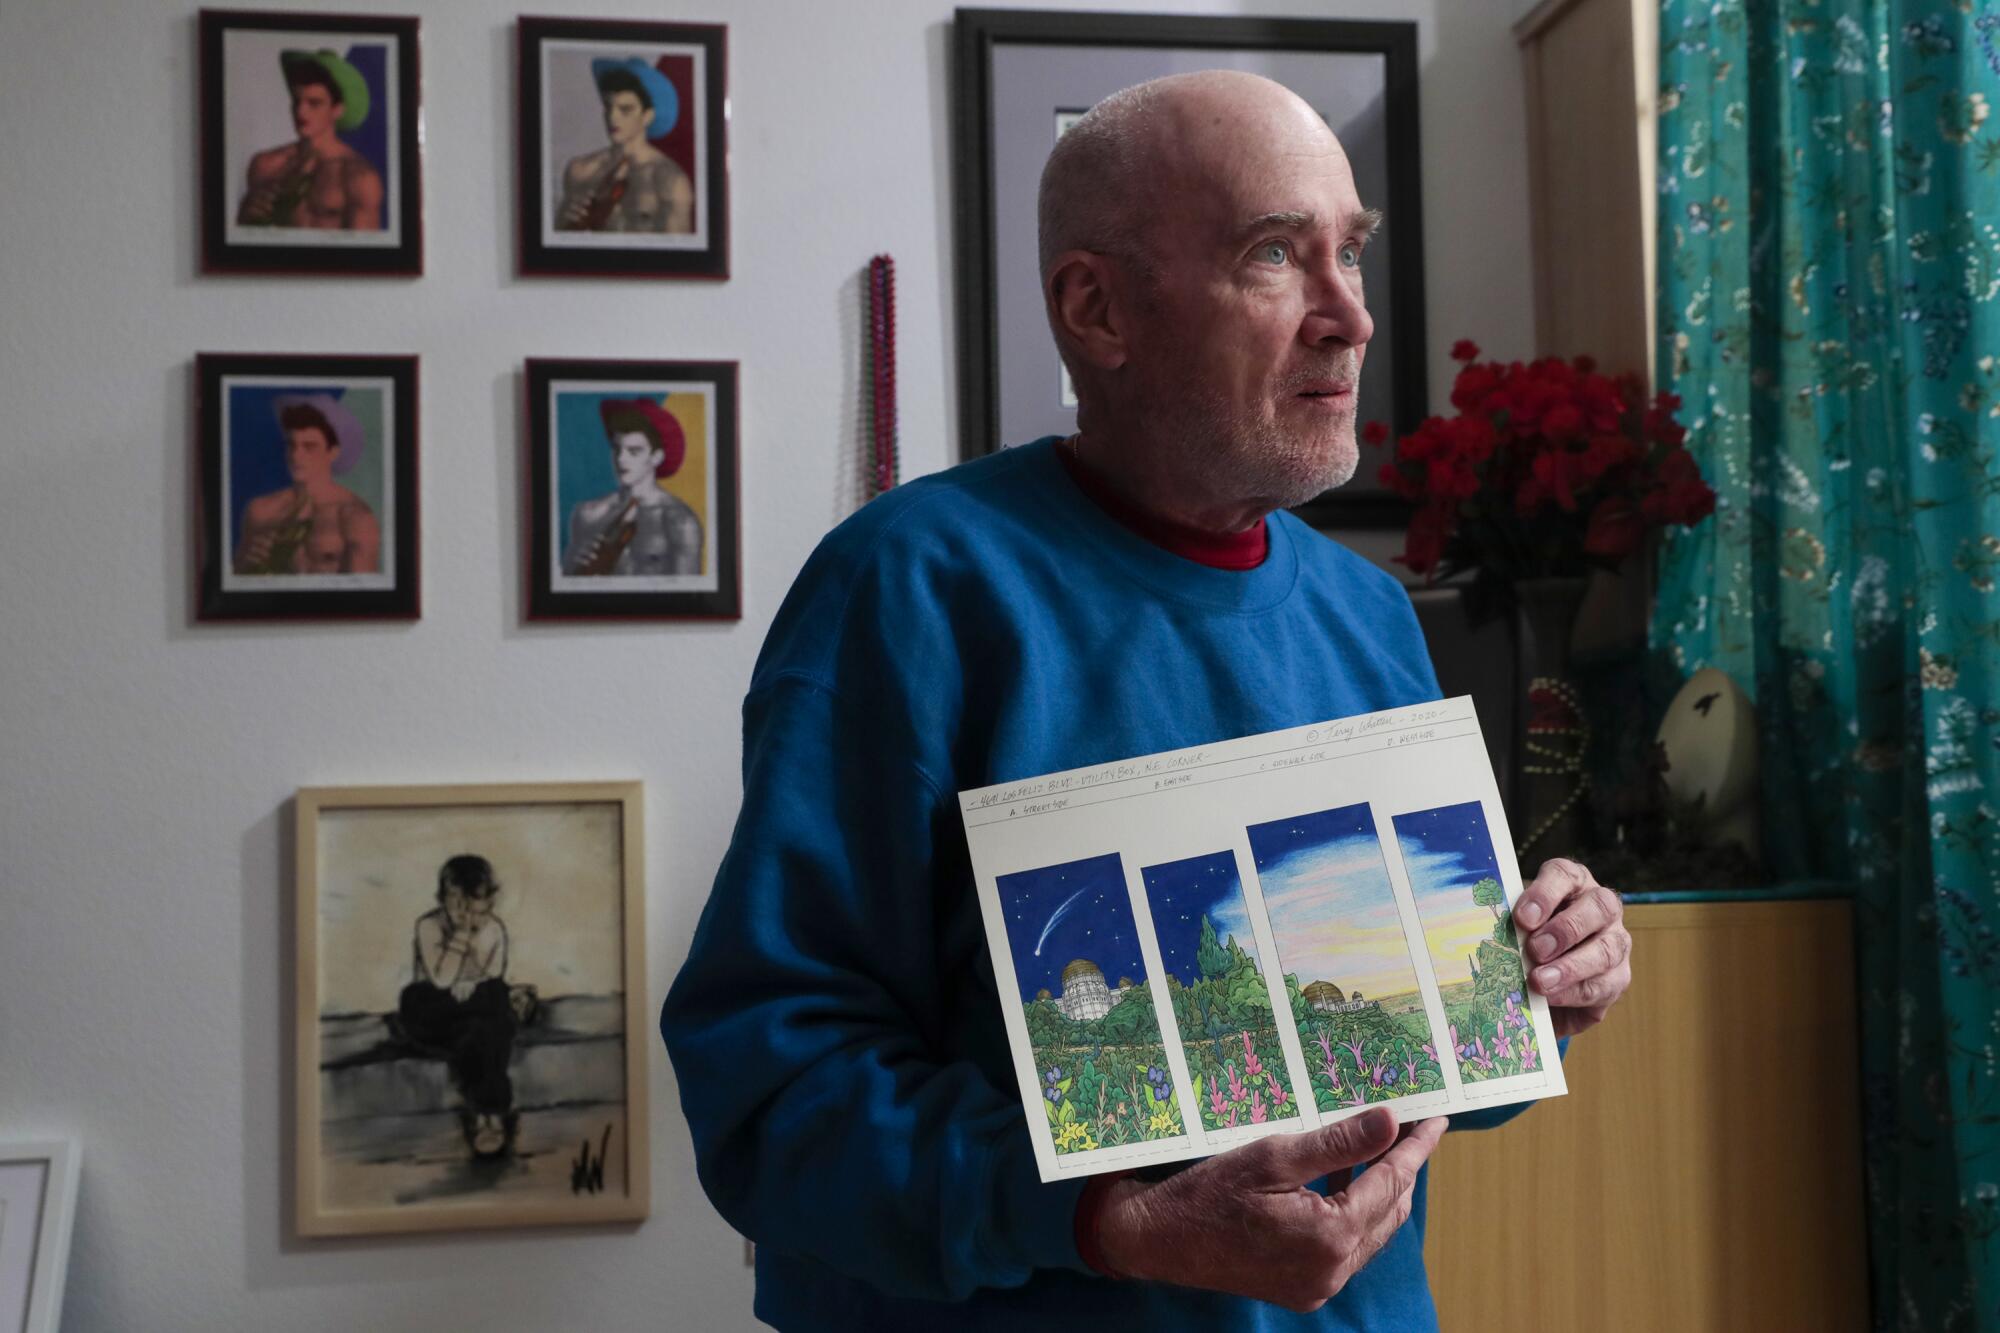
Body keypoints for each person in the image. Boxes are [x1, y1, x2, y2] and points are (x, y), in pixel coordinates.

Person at [660, 71, 1634, 1330]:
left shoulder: (1368, 611)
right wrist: (1105, 1224)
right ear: (1095, 308)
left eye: (1350, 252)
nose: (1347, 316)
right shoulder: (908, 591)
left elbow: (1428, 1071)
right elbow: (770, 1095)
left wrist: (1539, 986)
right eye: (1274, 255)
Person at [396, 855, 520, 1159]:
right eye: (457, 907)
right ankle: (490, 1113)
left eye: (477, 911)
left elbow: (493, 974)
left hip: (474, 1012)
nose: (468, 918)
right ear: (444, 901)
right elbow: (441, 979)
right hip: (435, 1009)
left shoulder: (494, 929)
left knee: (486, 1014)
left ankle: (486, 1117)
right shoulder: (428, 925)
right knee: (419, 998)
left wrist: (473, 982)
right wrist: (462, 937)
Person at [236, 48, 384, 231]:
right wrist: (244, 219)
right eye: (297, 101)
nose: (301, 112)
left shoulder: (359, 177)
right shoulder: (267, 164)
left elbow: (367, 255)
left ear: (337, 110)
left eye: (314, 103)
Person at [233, 394, 380, 576]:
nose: (296, 456)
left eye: (309, 447)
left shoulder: (355, 517)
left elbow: (363, 597)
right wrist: (245, 564)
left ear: (333, 452)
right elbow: (235, 585)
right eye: (291, 445)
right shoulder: (260, 510)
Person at [560, 398, 703, 576]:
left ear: (656, 457)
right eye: (617, 449)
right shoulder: (588, 514)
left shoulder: (679, 522)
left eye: (633, 451)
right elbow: (565, 588)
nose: (621, 459)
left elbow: (690, 599)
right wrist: (574, 567)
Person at [554, 57, 694, 234]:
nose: (612, 117)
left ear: (647, 116)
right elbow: (557, 244)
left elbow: (681, 257)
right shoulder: (581, 170)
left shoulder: (669, 179)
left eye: (625, 109)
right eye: (608, 107)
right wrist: (564, 222)